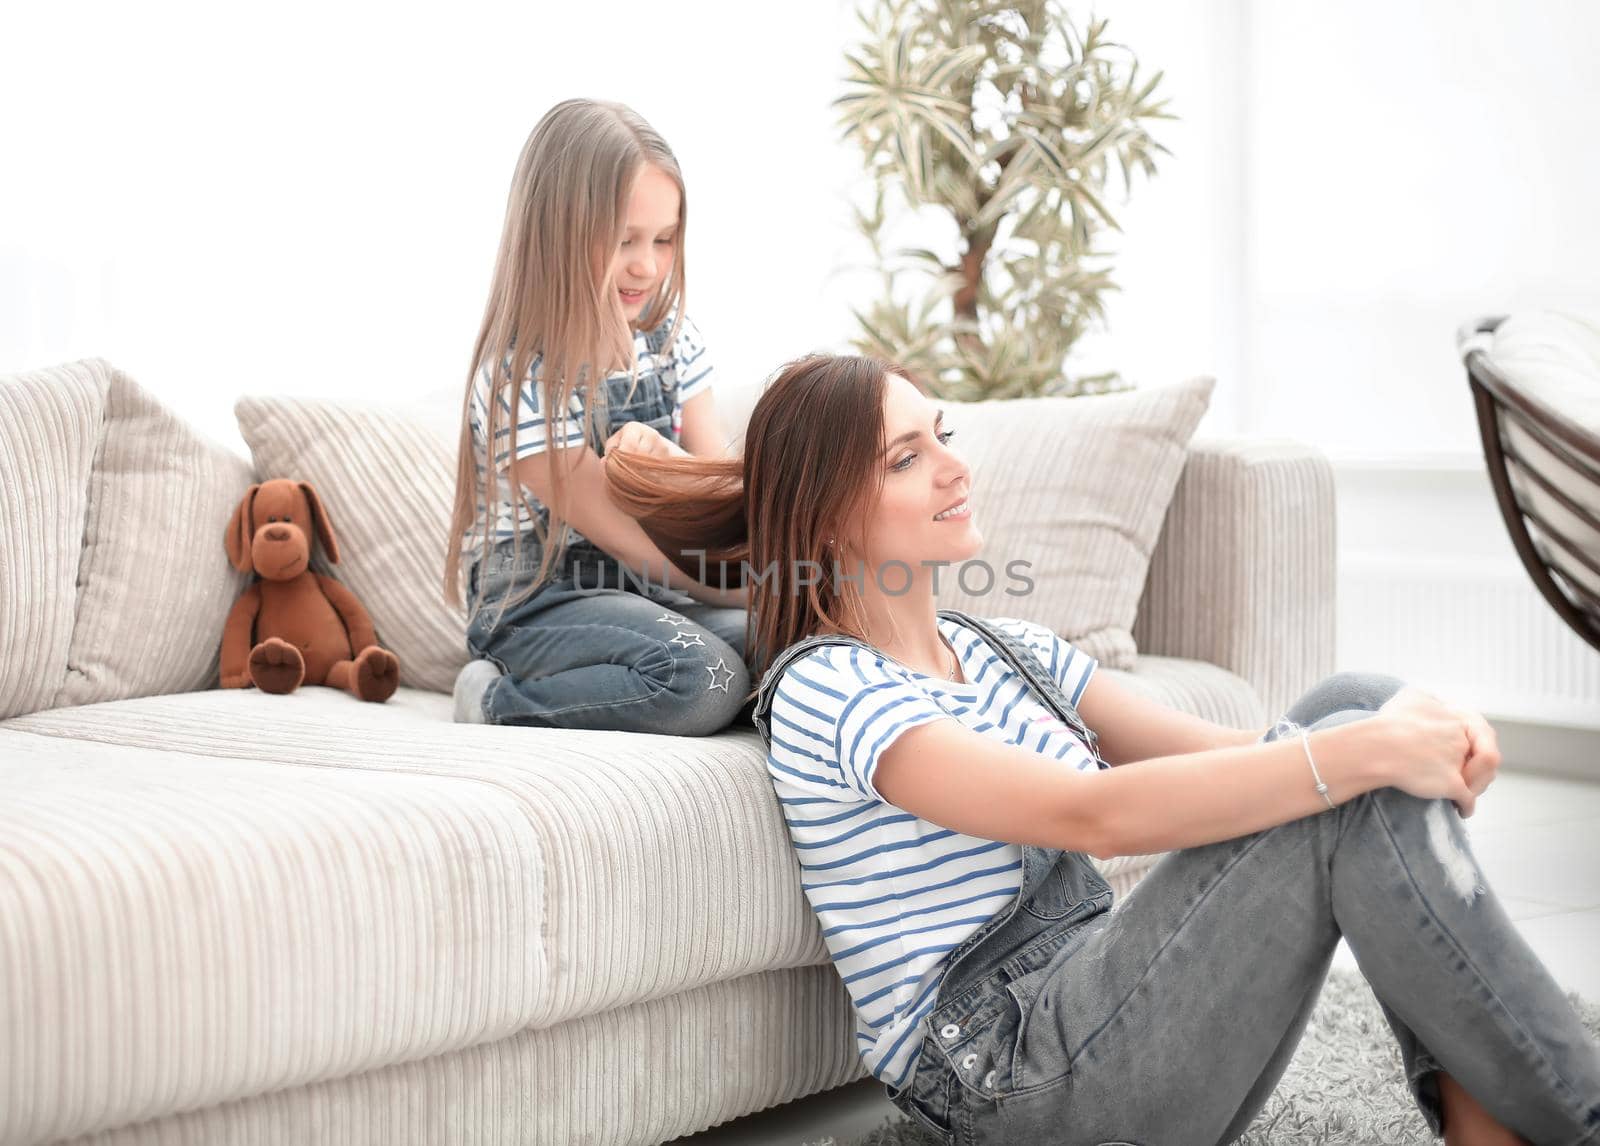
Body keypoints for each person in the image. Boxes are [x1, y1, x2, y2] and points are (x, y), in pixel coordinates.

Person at [604, 353, 1600, 1145]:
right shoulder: (830, 689)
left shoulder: (1004, 650)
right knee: (1353, 741)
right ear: (827, 515)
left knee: (1354, 704)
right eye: (906, 457)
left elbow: (1255, 754)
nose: (955, 466)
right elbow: (1093, 815)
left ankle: (1489, 1129)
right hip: (1017, 1082)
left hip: (1100, 1006)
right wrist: (1364, 753)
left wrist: (1395, 731)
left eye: (942, 436)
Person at [442, 98, 752, 735]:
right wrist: (744, 589)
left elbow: (714, 491)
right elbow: (626, 537)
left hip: (651, 592)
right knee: (703, 677)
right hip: (542, 598)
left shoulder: (672, 342)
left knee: (796, 644)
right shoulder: (518, 374)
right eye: (623, 240)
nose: (647, 264)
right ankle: (497, 701)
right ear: (555, 234)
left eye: (663, 240)